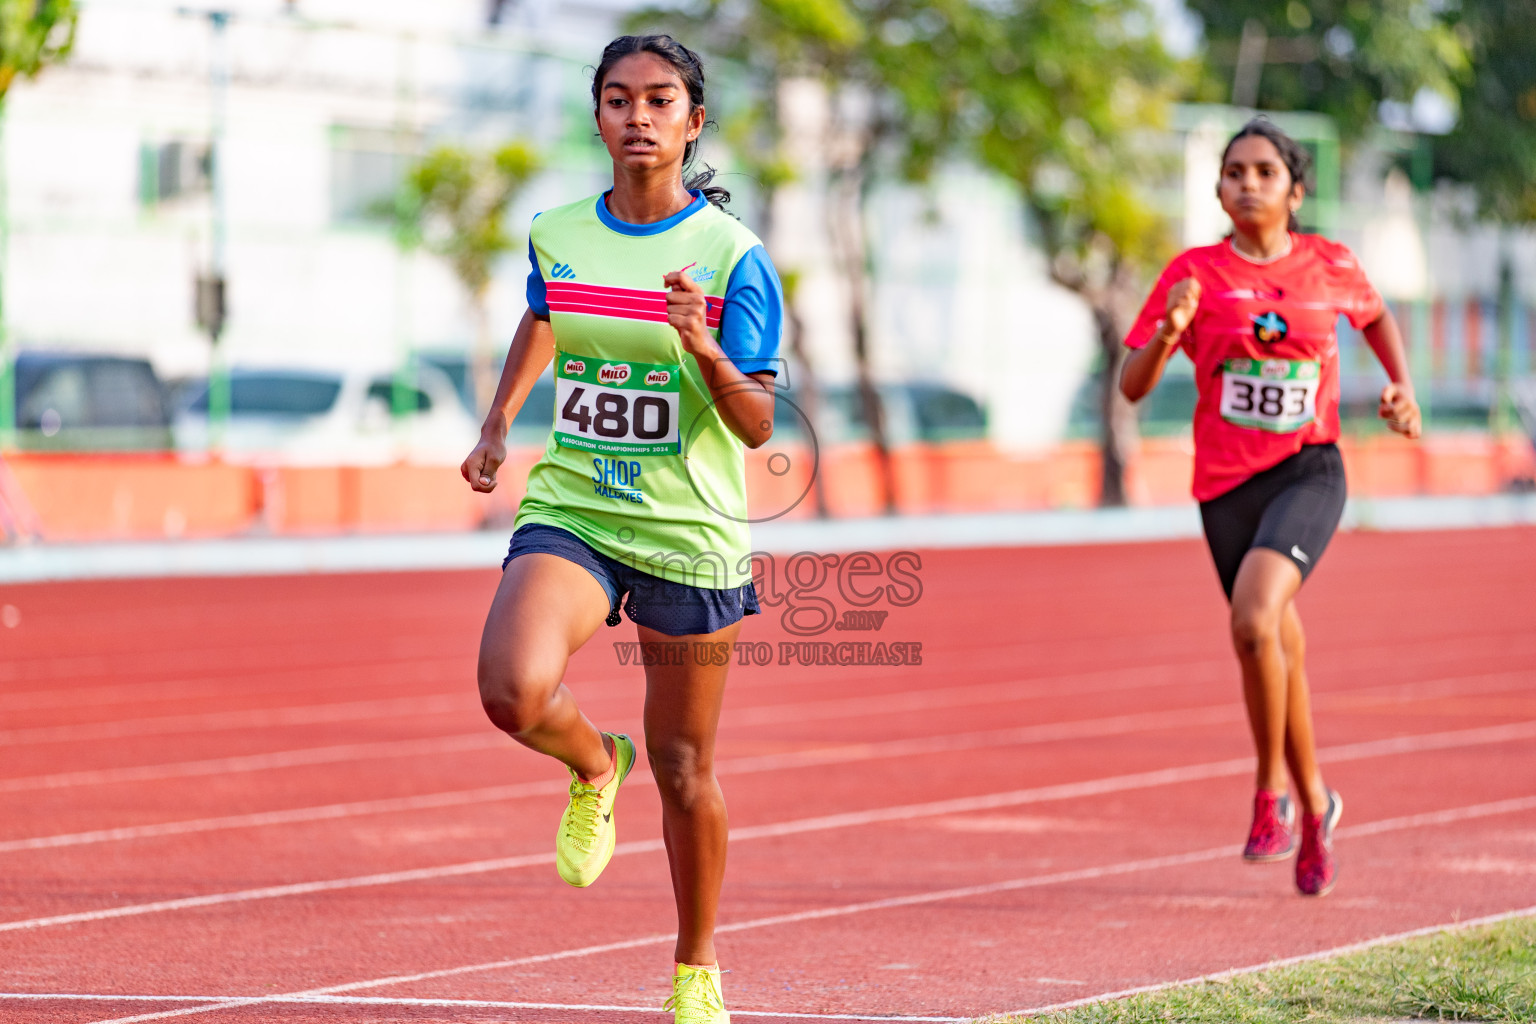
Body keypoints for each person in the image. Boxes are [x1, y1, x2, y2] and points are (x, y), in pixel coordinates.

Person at [461, 34, 783, 1024]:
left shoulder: (735, 259)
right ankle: (595, 764)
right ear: (596, 116)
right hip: (576, 507)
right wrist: (499, 420)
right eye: (617, 98)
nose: (637, 116)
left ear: (693, 120)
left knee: (687, 768)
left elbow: (759, 422)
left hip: (690, 531)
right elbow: (542, 315)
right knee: (511, 688)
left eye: (659, 99)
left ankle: (695, 967)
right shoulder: (558, 232)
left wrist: (699, 345)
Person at [1120, 118, 1421, 897]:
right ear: (1218, 189)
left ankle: (1269, 795)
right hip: (1225, 485)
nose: (1245, 184)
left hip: (1306, 470)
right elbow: (1132, 384)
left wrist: (1401, 385)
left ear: (1294, 187)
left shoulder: (1331, 263)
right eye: (1232, 173)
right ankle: (1318, 803)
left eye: (1262, 171)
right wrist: (1170, 333)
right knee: (1273, 646)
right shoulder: (1192, 273)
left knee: (1254, 619)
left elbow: (1378, 315)